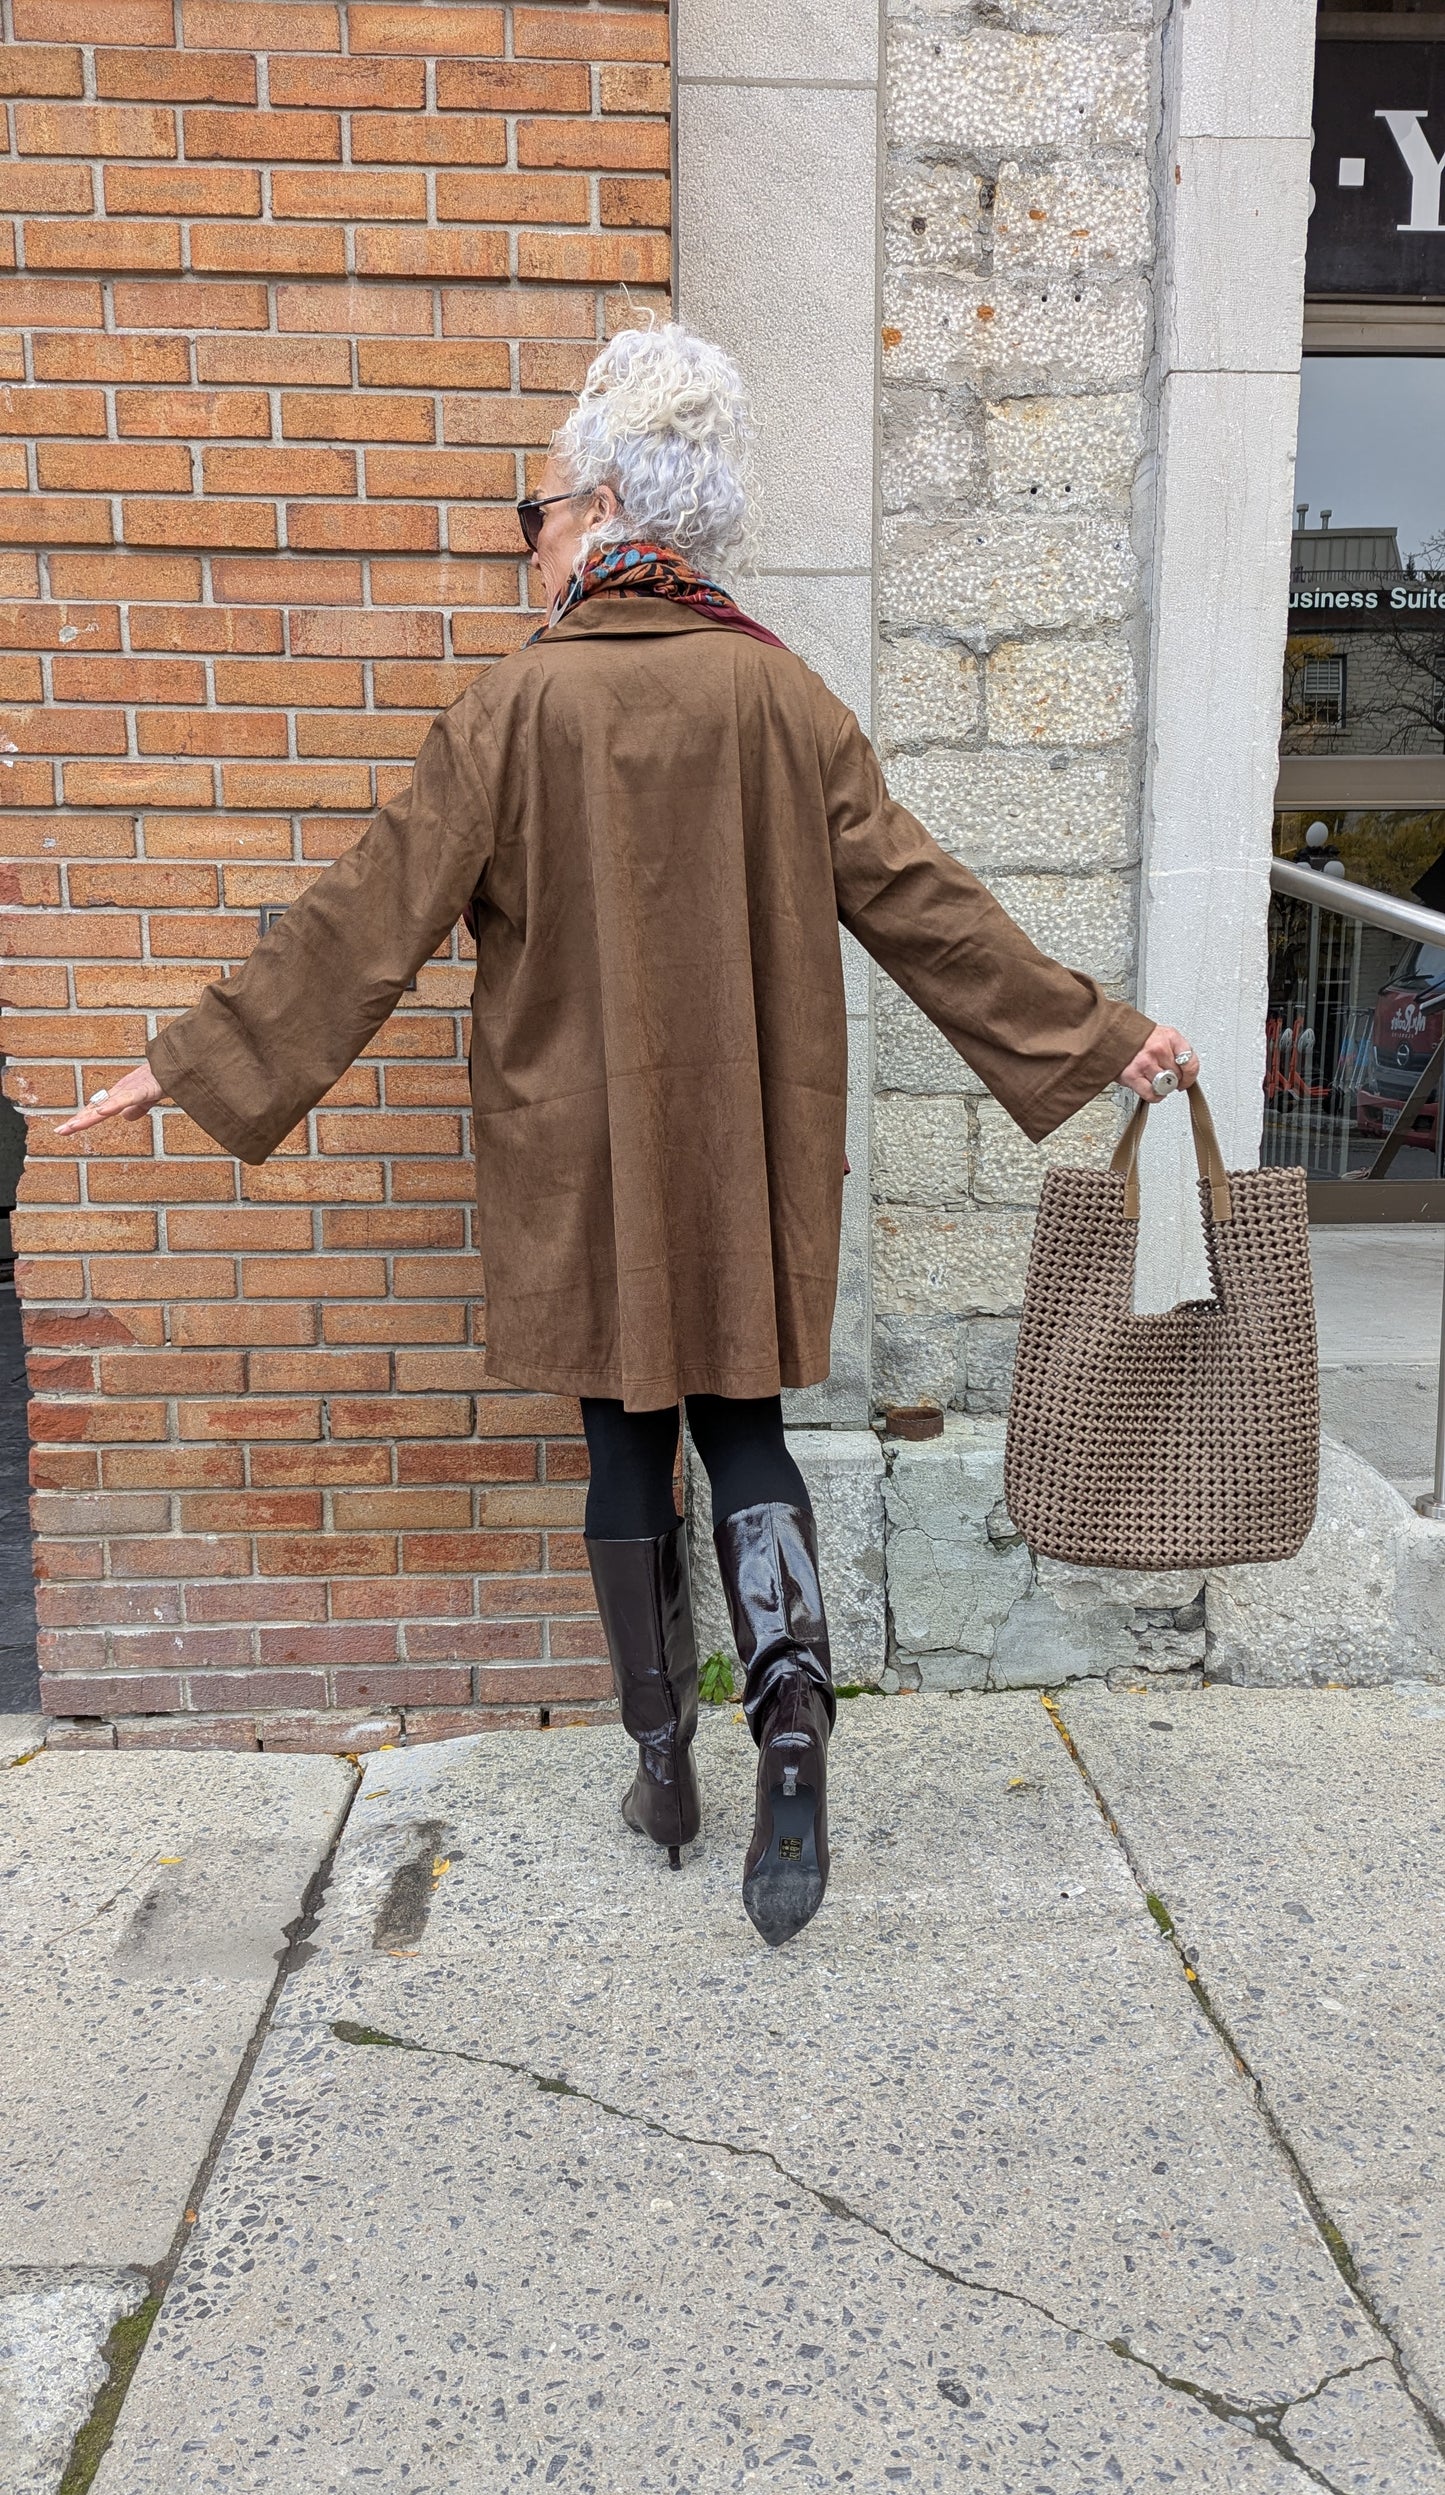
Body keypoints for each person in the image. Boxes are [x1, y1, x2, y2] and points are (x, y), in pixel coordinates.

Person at [59, 323, 1198, 1948]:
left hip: (579, 1159)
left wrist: (183, 1063)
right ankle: (788, 1722)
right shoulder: (780, 696)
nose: (524, 545)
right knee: (745, 1429)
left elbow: (361, 919)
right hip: (740, 1150)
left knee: (619, 1441)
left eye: (530, 514)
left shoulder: (514, 709)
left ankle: (661, 1761)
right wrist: (1095, 1030)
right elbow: (919, 901)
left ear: (601, 508)